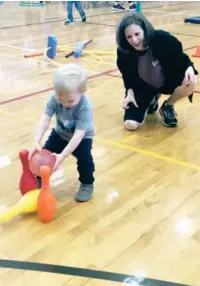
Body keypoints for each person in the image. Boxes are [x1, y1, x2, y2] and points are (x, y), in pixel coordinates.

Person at [116, 12, 198, 129]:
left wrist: (189, 67)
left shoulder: (162, 39)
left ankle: (167, 106)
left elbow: (180, 57)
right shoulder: (124, 52)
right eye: (129, 37)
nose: (134, 40)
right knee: (130, 125)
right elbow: (127, 75)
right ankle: (152, 99)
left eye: (137, 34)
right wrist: (129, 92)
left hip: (166, 82)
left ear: (145, 30)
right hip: (142, 87)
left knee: (192, 80)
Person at [29, 63, 95, 202]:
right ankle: (40, 178)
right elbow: (45, 118)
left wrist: (63, 155)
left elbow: (78, 134)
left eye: (70, 101)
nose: (65, 104)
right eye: (61, 99)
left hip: (82, 138)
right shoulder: (54, 98)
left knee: (85, 160)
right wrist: (36, 140)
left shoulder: (85, 107)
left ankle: (87, 183)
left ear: (82, 92)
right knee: (45, 154)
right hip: (60, 133)